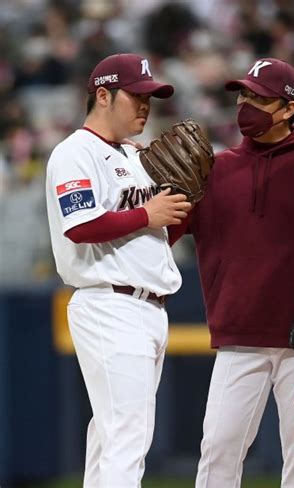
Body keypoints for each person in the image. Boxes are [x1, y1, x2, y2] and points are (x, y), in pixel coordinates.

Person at [169, 57, 294, 487]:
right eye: (242, 95)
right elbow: (164, 234)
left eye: (258, 97)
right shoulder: (215, 169)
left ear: (288, 108)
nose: (245, 105)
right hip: (240, 335)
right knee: (218, 450)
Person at [45, 53, 192, 487]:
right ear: (104, 95)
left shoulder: (137, 155)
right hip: (109, 304)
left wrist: (185, 206)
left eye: (151, 97)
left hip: (149, 307)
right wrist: (149, 213)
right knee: (128, 434)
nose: (146, 106)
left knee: (113, 435)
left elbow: (158, 231)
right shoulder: (74, 152)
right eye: (137, 97)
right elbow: (82, 226)